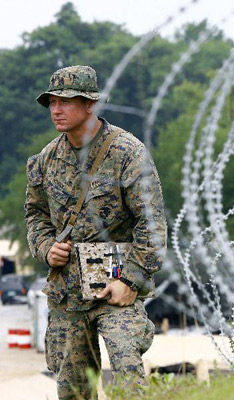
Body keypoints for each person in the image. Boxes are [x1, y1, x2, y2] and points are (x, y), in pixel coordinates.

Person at [24, 65, 167, 400]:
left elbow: (152, 223)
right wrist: (46, 248)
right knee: (73, 389)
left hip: (115, 283)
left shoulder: (126, 153)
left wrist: (130, 280)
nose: (56, 110)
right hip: (67, 291)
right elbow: (36, 215)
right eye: (51, 103)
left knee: (128, 374)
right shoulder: (46, 160)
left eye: (65, 102)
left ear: (89, 105)